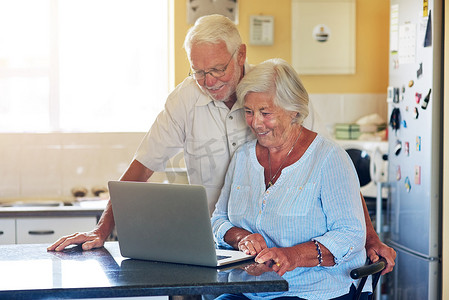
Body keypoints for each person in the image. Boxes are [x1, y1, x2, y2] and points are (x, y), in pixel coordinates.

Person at [47, 14, 396, 275]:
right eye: (198, 72)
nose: (208, 81)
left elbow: (335, 175)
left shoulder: (277, 95)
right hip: (221, 247)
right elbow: (141, 167)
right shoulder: (184, 101)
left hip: (296, 260)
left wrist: (367, 239)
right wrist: (102, 229)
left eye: (217, 69)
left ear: (241, 54)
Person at [212, 58, 369, 299]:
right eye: (249, 112)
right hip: (251, 290)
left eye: (265, 113)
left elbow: (350, 235)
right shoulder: (243, 157)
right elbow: (218, 220)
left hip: (313, 291)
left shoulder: (329, 158)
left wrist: (291, 256)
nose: (255, 122)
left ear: (294, 110)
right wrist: (242, 238)